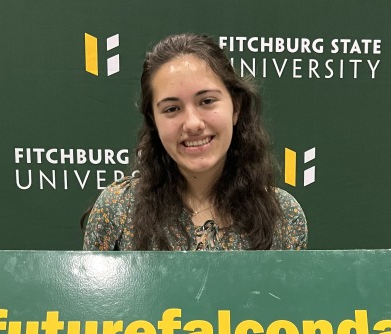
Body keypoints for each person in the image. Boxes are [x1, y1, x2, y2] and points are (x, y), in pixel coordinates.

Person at [82, 33, 307, 251]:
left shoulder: (283, 216)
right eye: (172, 109)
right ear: (153, 120)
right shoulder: (118, 209)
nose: (192, 124)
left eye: (207, 101)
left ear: (236, 107)